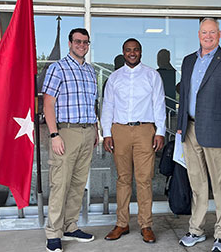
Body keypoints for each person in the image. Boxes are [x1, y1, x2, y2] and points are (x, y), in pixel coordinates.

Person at [176, 18, 221, 252]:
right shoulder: (188, 61)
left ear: (219, 34)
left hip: (218, 132)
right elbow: (183, 96)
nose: (208, 36)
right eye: (204, 32)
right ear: (198, 34)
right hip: (190, 129)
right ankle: (195, 229)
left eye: (212, 32)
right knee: (197, 183)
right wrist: (180, 125)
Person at [101, 38, 166, 243]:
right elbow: (108, 106)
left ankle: (146, 225)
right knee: (123, 179)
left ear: (140, 52)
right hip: (119, 130)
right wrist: (107, 133)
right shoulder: (114, 78)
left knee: (144, 180)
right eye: (128, 50)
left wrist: (160, 131)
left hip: (145, 130)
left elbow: (159, 104)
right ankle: (122, 223)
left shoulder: (152, 75)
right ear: (123, 52)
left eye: (135, 50)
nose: (132, 53)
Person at [42, 28, 99, 252]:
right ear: (69, 43)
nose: (81, 45)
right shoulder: (58, 68)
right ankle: (53, 233)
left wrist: (95, 130)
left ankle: (70, 226)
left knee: (77, 184)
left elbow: (91, 103)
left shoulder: (90, 71)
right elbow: (48, 104)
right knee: (60, 184)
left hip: (87, 133)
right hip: (65, 133)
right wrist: (54, 134)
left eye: (85, 42)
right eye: (78, 41)